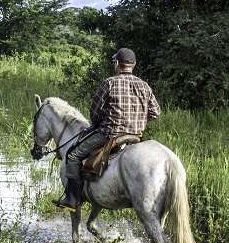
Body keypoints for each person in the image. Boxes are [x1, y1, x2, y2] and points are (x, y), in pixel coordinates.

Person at [54, 47, 161, 211]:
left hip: (109, 134)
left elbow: (95, 111)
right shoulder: (144, 85)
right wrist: (138, 121)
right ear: (133, 65)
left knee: (73, 154)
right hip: (135, 136)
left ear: (117, 64)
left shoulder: (110, 83)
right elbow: (155, 112)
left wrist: (99, 123)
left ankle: (72, 199)